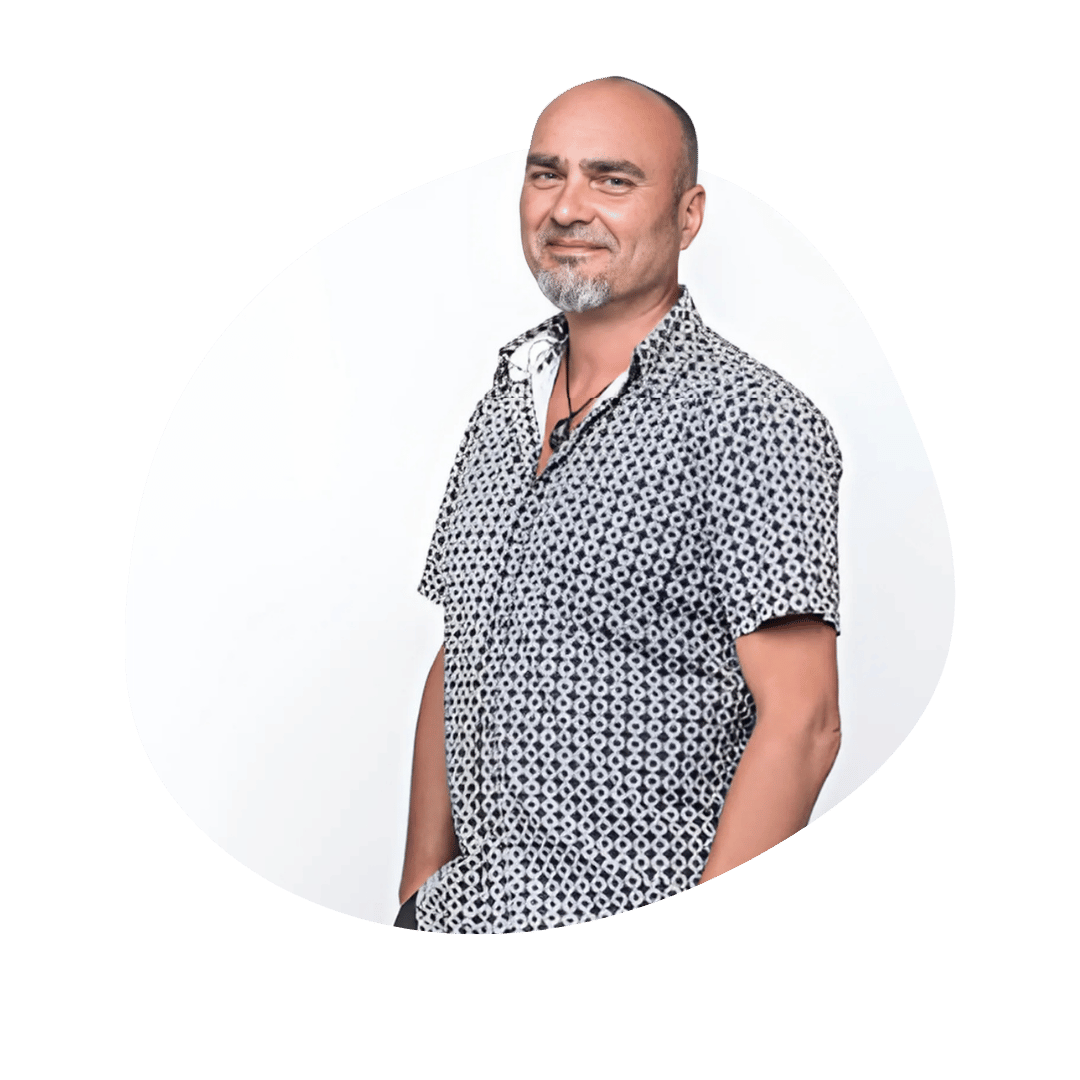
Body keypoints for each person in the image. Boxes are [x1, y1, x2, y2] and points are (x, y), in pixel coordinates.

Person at [395, 76, 842, 934]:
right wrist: (419, 895)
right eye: (546, 174)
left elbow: (806, 722)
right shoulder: (504, 404)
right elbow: (460, 653)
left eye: (612, 179)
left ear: (688, 215)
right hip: (462, 919)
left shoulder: (749, 420)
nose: (568, 208)